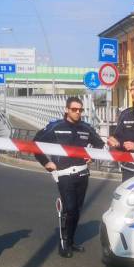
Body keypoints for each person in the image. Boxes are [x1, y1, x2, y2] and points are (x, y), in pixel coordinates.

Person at [33, 96, 105, 258]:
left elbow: (99, 144)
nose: (78, 112)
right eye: (74, 109)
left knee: (77, 210)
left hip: (83, 173)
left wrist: (92, 156)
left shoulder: (86, 127)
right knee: (69, 208)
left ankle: (71, 241)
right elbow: (35, 144)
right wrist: (46, 163)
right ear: (66, 110)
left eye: (80, 110)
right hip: (64, 174)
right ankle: (64, 243)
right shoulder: (56, 127)